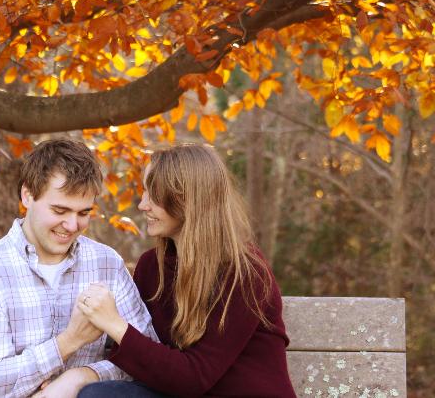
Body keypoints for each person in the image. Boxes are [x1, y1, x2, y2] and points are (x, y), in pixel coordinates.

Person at [75, 144, 297, 398]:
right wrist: (74, 375)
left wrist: (115, 324)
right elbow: (143, 356)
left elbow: (195, 377)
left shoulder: (243, 272)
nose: (142, 205)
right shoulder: (151, 267)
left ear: (186, 199)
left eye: (153, 195)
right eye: (144, 193)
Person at [0, 138, 157, 398]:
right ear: (27, 195)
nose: (72, 225)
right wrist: (69, 341)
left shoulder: (106, 263)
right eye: (60, 210)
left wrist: (79, 378)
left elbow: (147, 359)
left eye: (83, 213)